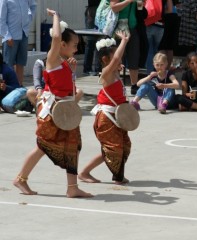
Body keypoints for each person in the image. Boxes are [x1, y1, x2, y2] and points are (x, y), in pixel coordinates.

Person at [13, 9, 92, 198]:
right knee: (43, 146)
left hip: (65, 111)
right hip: (52, 111)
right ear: (62, 44)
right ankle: (20, 179)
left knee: (73, 145)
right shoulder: (52, 58)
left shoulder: (63, 62)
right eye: (74, 45)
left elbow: (66, 87)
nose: (76, 48)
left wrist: (71, 71)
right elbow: (56, 37)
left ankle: (72, 188)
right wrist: (56, 16)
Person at [78, 33, 132, 184]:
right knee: (113, 148)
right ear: (105, 59)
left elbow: (115, 61)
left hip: (116, 116)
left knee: (123, 146)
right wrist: (125, 41)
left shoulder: (114, 71)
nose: (118, 57)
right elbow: (115, 60)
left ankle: (116, 175)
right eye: (115, 54)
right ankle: (85, 172)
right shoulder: (106, 73)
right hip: (106, 117)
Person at [110, 0, 145, 95]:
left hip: (132, 28)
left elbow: (140, 9)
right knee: (117, 58)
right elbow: (113, 7)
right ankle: (115, 84)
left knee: (134, 56)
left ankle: (134, 85)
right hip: (119, 29)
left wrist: (141, 3)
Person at [0, 0, 37, 86]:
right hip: (11, 36)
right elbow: (1, 19)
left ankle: (19, 86)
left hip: (24, 33)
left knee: (21, 62)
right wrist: (7, 35)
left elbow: (33, 5)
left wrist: (29, 18)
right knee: (9, 64)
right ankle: (9, 87)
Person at [159, 0, 180, 68]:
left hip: (168, 19)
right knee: (168, 47)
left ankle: (163, 69)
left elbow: (170, 9)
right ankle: (166, 70)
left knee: (163, 46)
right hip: (172, 18)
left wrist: (159, 12)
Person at [83, 0, 102, 76]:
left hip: (101, 10)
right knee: (91, 42)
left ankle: (98, 68)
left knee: (100, 41)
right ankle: (87, 69)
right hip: (93, 10)